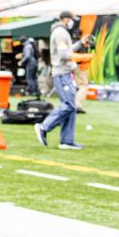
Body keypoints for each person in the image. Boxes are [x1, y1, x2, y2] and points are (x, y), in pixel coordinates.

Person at [35, 11, 91, 150]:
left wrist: (80, 43)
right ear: (66, 19)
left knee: (70, 106)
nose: (73, 22)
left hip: (64, 73)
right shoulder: (60, 32)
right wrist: (79, 60)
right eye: (72, 19)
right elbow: (64, 54)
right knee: (69, 106)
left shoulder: (61, 31)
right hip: (62, 74)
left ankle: (67, 140)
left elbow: (67, 50)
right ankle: (44, 127)